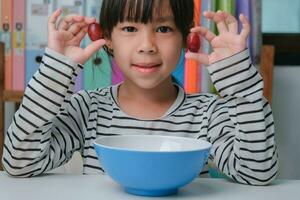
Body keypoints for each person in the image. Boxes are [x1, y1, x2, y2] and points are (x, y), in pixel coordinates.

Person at [2, 0, 277, 185]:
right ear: (106, 37)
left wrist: (240, 81)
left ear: (186, 38)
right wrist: (55, 71)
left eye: (163, 29)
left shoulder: (207, 112)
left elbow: (258, 172)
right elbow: (19, 163)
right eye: (130, 28)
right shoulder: (87, 108)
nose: (147, 45)